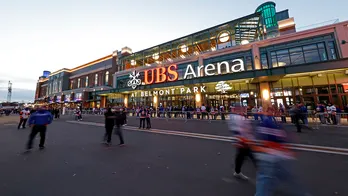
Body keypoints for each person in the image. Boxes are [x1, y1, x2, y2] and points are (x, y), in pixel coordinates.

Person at [227, 104, 256, 180]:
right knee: (248, 155)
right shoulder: (237, 118)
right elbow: (242, 129)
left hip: (241, 140)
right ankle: (263, 172)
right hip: (243, 140)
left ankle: (237, 172)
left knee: (241, 156)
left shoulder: (234, 117)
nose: (243, 110)